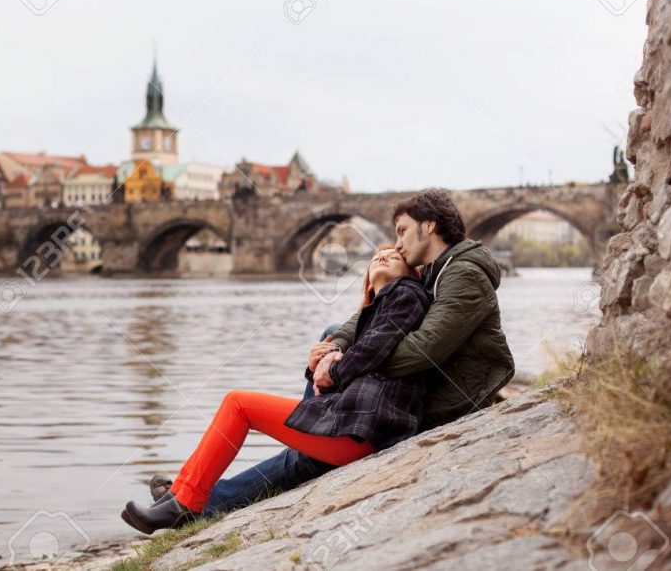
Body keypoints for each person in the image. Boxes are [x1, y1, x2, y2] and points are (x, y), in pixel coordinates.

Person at [148, 189, 515, 515]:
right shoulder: (435, 271)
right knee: (328, 338)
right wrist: (336, 348)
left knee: (297, 448)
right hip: (423, 391)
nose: (397, 244)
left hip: (453, 399)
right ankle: (309, 435)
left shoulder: (461, 273)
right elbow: (361, 323)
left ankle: (205, 498)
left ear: (430, 226)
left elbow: (423, 351)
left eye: (402, 231)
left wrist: (347, 366)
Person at [120, 245, 431, 534]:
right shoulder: (375, 313)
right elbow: (365, 353)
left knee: (238, 405)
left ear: (411, 273)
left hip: (359, 434)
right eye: (377, 255)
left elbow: (371, 353)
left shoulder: (405, 293)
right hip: (353, 428)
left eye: (395, 256)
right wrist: (320, 364)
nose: (383, 256)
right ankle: (183, 498)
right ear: (366, 283)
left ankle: (183, 503)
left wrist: (331, 370)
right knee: (321, 346)